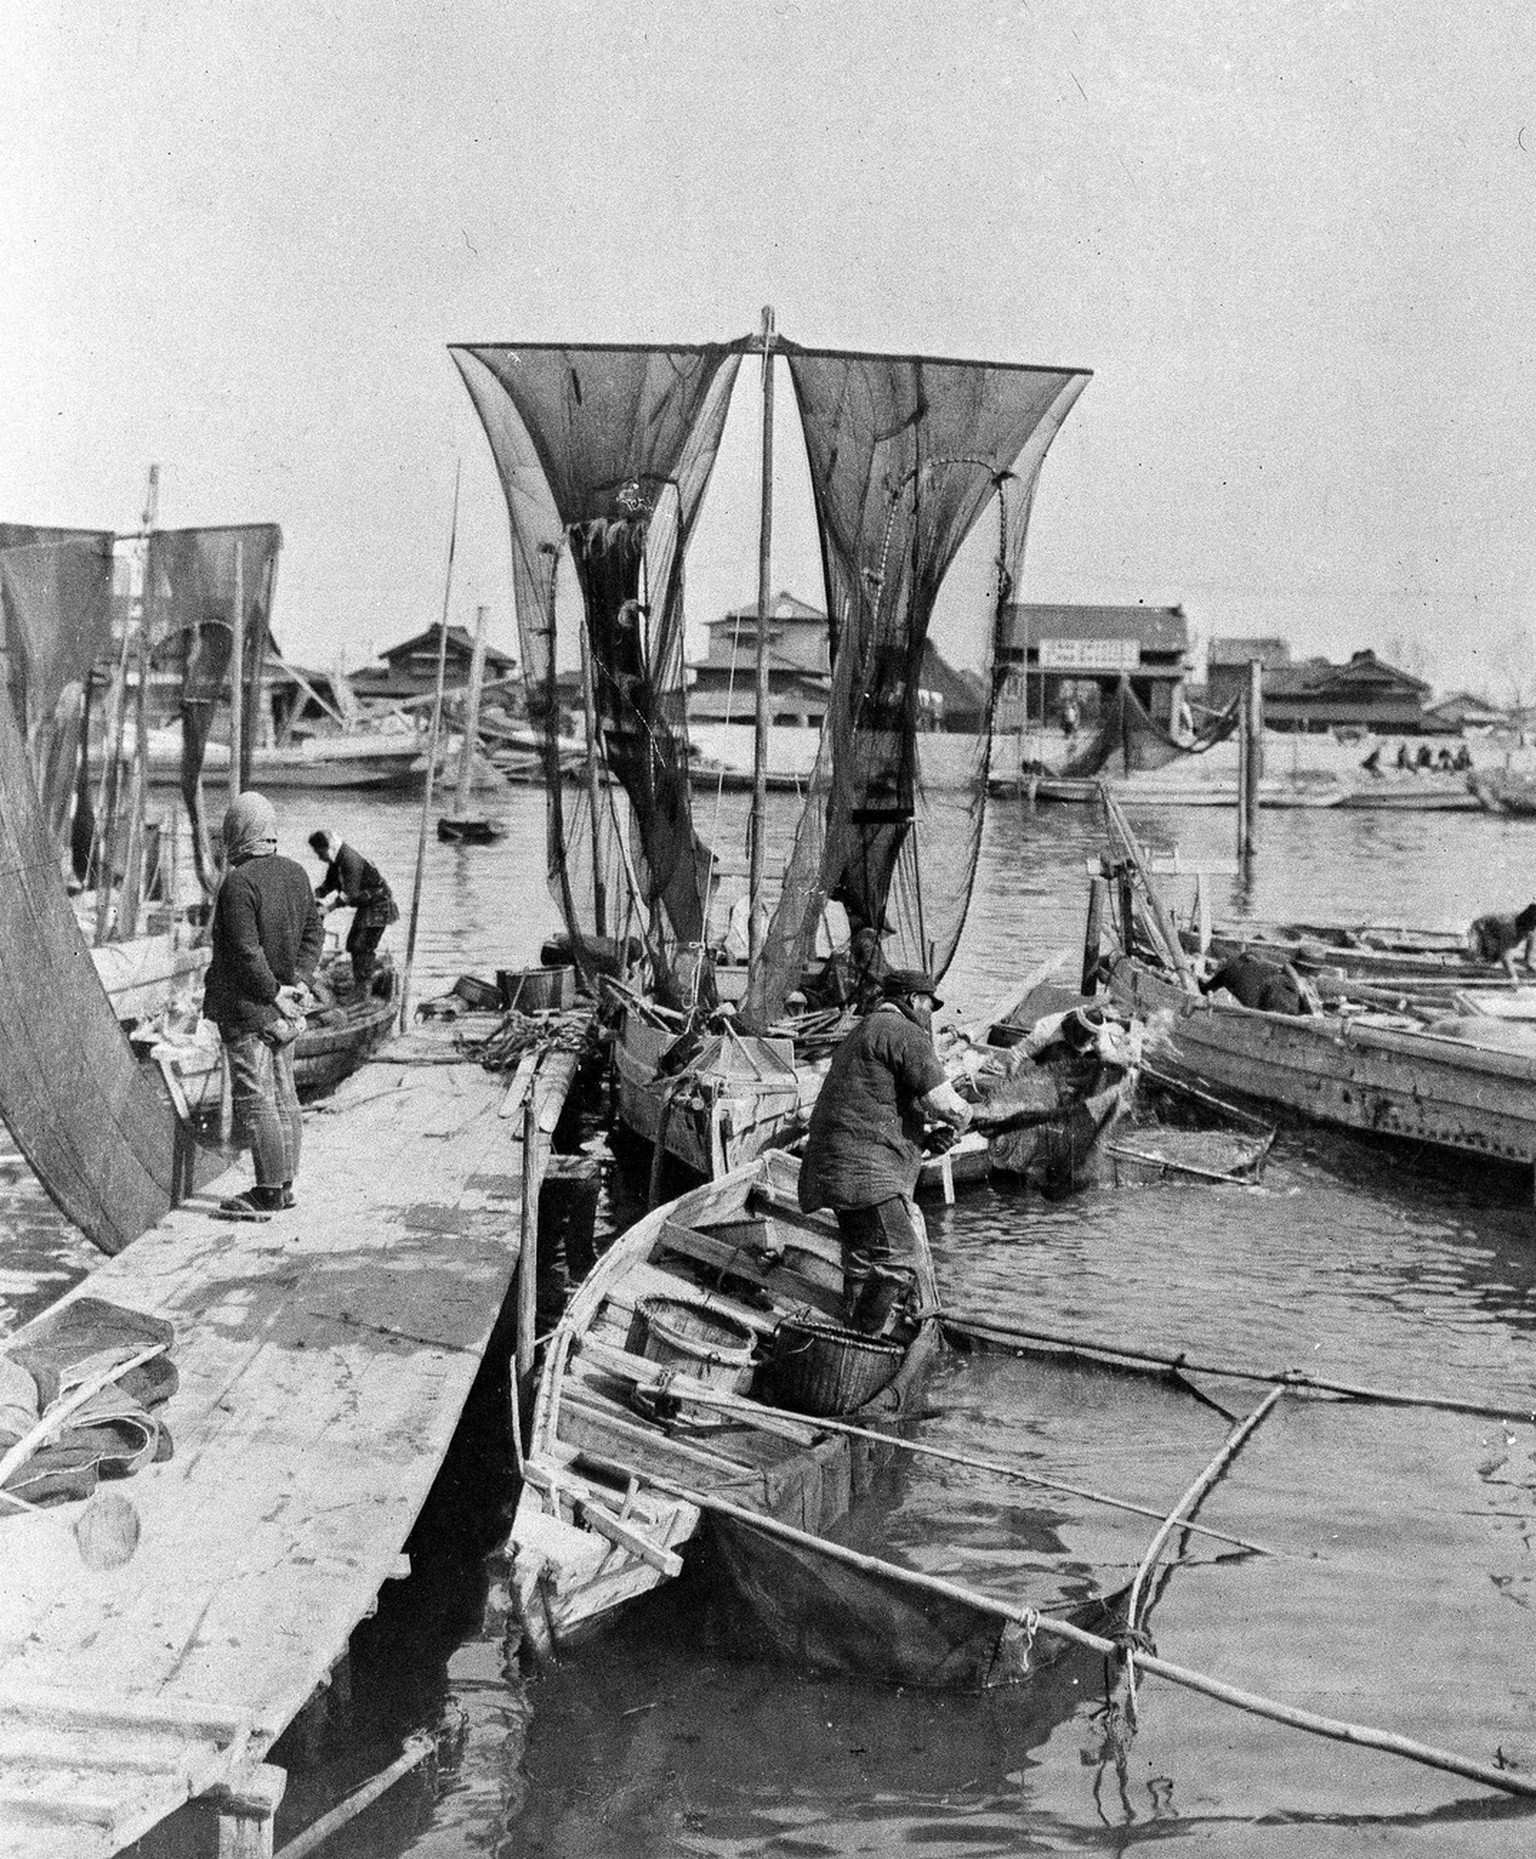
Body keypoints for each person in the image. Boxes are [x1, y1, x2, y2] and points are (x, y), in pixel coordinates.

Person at [798, 969, 975, 1335]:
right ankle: (866, 1336)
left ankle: (850, 1338)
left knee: (860, 1259)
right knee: (902, 1255)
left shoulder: (862, 1030)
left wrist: (926, 1139)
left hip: (831, 1164)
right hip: (867, 1173)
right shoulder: (903, 1031)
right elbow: (946, 1103)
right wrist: (963, 1121)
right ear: (912, 1001)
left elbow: (873, 1105)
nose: (930, 1014)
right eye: (929, 1005)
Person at [205, 792, 324, 1218]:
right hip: (288, 1008)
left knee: (256, 1099)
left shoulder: (238, 883)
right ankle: (285, 1185)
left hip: (249, 1010)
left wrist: (273, 993)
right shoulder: (296, 873)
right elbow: (314, 933)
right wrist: (299, 984)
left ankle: (268, 1190)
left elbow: (244, 951)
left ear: (237, 833)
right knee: (285, 1093)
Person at [307, 830, 399, 993]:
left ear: (327, 848)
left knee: (361, 946)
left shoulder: (350, 860)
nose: (320, 858)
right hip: (368, 905)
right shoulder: (337, 861)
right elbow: (329, 884)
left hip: (379, 904)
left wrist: (327, 909)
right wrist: (311, 896)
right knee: (353, 944)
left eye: (319, 853)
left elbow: (348, 894)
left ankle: (363, 991)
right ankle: (360, 985)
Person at [1467, 903, 1536, 981]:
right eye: (1527, 932)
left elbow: (1528, 957)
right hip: (1482, 927)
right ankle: (1482, 957)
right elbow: (1505, 956)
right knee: (1492, 957)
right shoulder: (1509, 928)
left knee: (1504, 953)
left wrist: (1530, 966)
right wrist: (1513, 976)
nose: (1530, 934)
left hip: (1500, 927)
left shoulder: (1531, 929)